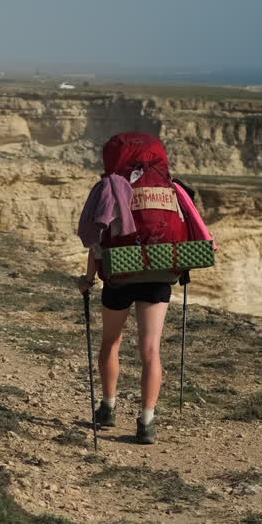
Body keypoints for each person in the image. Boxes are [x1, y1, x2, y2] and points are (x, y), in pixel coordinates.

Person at [75, 132, 190, 445]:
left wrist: (87, 279)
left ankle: (108, 408)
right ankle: (147, 421)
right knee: (151, 350)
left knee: (111, 342)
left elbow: (97, 239)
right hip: (160, 272)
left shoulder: (111, 186)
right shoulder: (171, 188)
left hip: (119, 273)